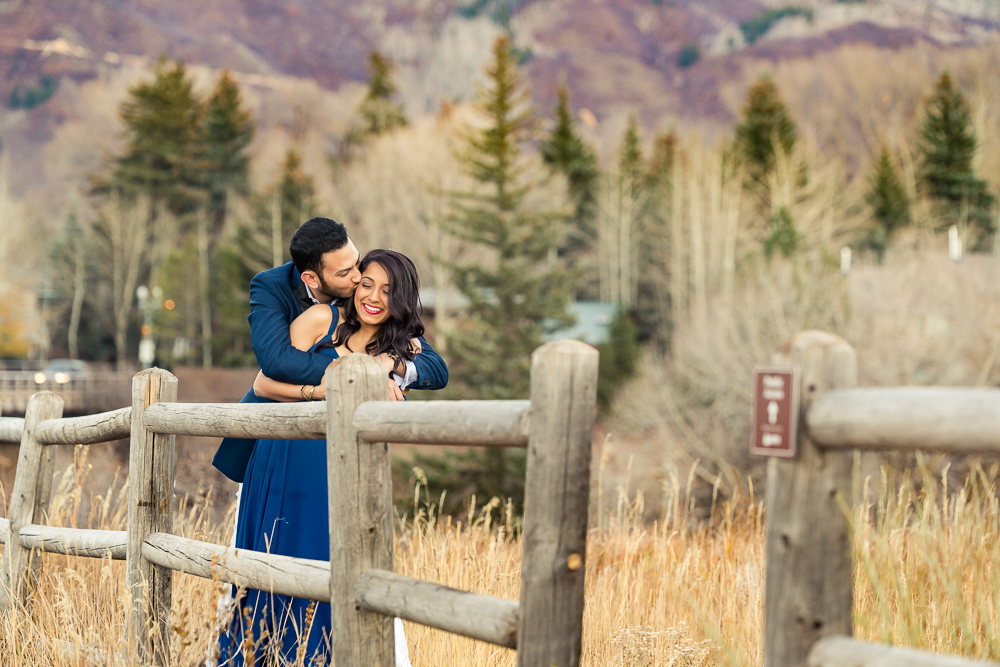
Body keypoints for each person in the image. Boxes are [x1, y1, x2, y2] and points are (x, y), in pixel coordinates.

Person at [213, 249, 426, 666]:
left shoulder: (400, 350)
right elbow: (266, 382)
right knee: (275, 571)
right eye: (367, 284)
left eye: (388, 291)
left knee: (344, 566)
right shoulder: (321, 320)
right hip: (286, 457)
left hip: (345, 470)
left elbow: (436, 369)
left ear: (400, 300)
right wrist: (328, 388)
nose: (374, 297)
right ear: (355, 283)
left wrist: (386, 365)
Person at [211, 216, 447, 483]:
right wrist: (361, 376)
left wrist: (389, 360)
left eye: (356, 263)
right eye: (345, 273)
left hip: (346, 454)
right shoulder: (272, 287)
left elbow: (434, 366)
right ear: (310, 278)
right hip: (274, 435)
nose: (358, 277)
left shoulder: (369, 294)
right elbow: (275, 362)